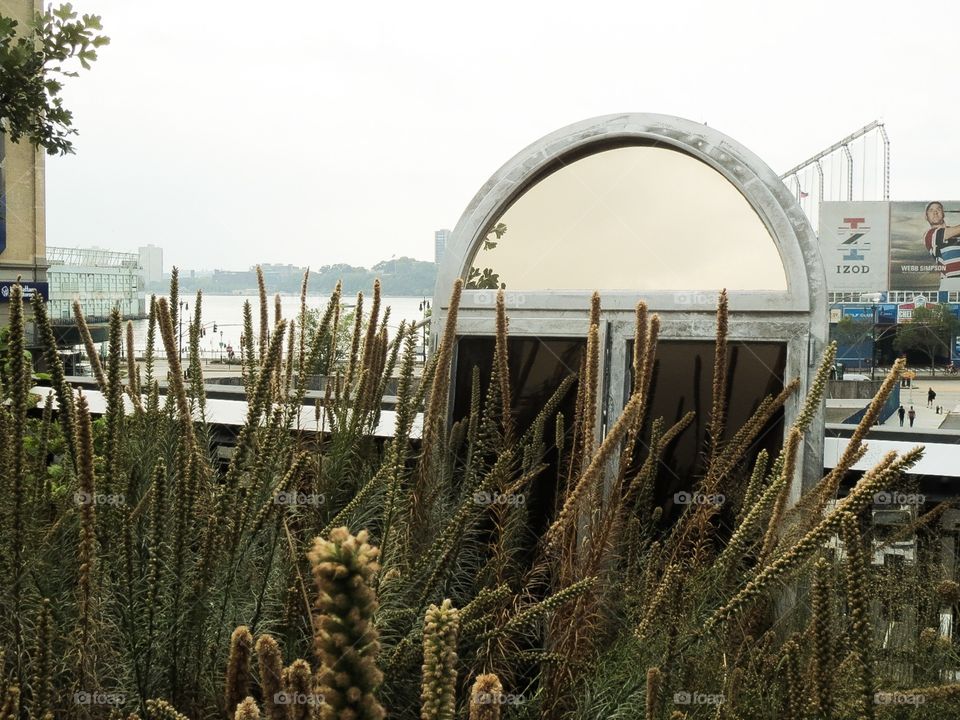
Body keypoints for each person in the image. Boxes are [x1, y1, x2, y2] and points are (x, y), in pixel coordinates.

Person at [922, 202, 960, 291]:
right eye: (931, 210)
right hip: (952, 283)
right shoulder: (929, 235)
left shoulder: (955, 230)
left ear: (943, 213)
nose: (935, 212)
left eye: (938, 209)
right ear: (926, 217)